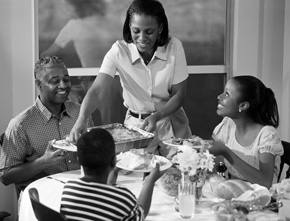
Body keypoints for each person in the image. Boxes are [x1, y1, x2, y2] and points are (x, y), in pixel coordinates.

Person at [69, 0, 192, 157]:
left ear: (160, 28)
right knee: (135, 175)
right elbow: (97, 90)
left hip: (172, 121)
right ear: (129, 28)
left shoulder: (174, 47)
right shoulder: (119, 51)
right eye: (136, 31)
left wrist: (157, 116)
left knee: (182, 171)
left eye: (149, 32)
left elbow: (179, 95)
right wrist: (81, 119)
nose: (141, 38)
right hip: (137, 126)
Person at [0, 56, 93, 196]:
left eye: (66, 79)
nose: (63, 85)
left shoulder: (80, 113)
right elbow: (6, 176)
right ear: (39, 85)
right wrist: (44, 161)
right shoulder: (20, 125)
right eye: (55, 81)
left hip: (82, 192)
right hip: (44, 199)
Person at [60, 128, 165, 220]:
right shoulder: (122, 197)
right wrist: (149, 182)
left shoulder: (69, 189)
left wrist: (113, 172)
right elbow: (140, 215)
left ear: (79, 160)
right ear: (114, 161)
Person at [209, 75, 283, 188]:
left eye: (227, 94)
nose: (219, 96)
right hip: (235, 192)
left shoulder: (267, 135)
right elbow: (213, 160)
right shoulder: (227, 125)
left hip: (262, 199)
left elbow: (265, 182)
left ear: (243, 105)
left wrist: (226, 152)